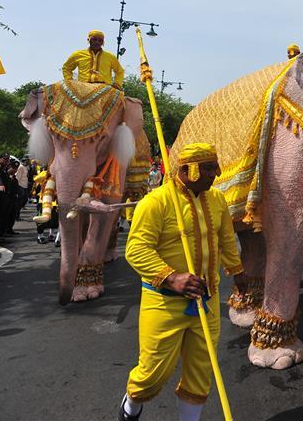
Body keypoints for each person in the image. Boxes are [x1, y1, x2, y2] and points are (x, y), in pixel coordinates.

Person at [119, 143, 245, 421]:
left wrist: (238, 272)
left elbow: (226, 238)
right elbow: (136, 250)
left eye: (215, 166)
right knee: (153, 373)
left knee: (202, 371)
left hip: (207, 300)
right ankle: (131, 404)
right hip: (164, 303)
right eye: (209, 168)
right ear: (189, 170)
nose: (217, 173)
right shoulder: (155, 203)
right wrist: (172, 278)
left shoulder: (217, 200)